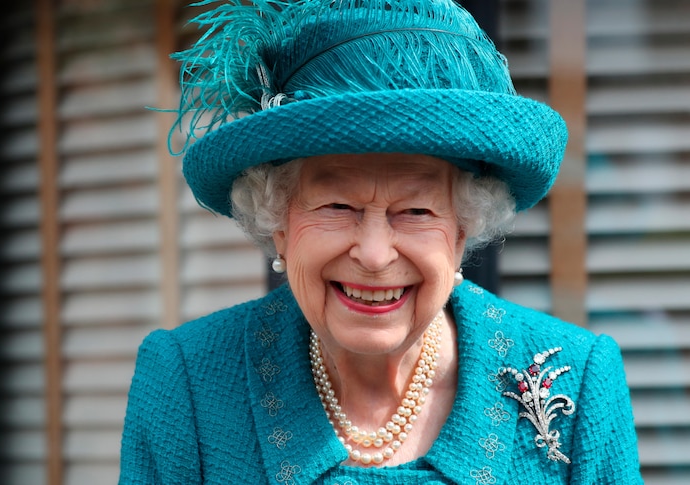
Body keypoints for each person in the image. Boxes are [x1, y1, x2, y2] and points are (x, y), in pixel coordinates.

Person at [120, 0, 643, 483]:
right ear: (278, 220)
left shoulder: (576, 384)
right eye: (337, 207)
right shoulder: (186, 385)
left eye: (415, 211)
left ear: (463, 228)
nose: (373, 255)